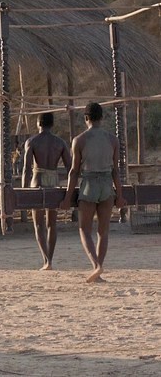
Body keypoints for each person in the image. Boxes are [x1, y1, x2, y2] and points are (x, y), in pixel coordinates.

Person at [59, 103, 125, 283]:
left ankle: (96, 265)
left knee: (84, 229)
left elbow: (74, 172)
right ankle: (98, 272)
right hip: (107, 186)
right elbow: (116, 171)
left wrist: (67, 198)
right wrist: (120, 196)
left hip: (89, 184)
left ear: (86, 118)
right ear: (101, 117)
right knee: (103, 232)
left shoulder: (79, 140)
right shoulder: (113, 140)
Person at [22, 112, 70, 271]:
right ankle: (50, 259)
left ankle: (46, 260)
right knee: (52, 224)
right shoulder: (60, 143)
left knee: (38, 224)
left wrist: (23, 191)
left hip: (38, 181)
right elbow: (70, 169)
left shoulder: (32, 142)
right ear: (52, 124)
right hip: (53, 182)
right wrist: (70, 190)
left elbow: (26, 169)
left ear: (38, 124)